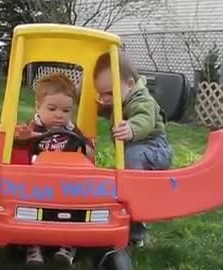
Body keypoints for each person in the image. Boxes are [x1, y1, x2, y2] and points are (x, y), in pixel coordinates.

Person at [13, 72, 94, 267]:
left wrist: (89, 147)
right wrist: (21, 139)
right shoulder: (33, 128)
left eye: (66, 110)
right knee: (29, 208)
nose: (59, 115)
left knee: (80, 208)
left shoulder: (72, 131)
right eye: (52, 108)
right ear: (38, 107)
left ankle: (67, 248)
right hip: (38, 184)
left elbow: (88, 155)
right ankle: (33, 247)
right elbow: (18, 154)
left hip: (67, 184)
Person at [93, 51, 173, 247]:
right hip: (138, 148)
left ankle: (138, 224)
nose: (105, 98)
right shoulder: (121, 97)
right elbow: (105, 107)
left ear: (129, 83)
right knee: (127, 166)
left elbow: (144, 118)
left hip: (154, 150)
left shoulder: (141, 99)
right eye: (101, 93)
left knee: (132, 162)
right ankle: (129, 203)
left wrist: (132, 128)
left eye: (109, 93)